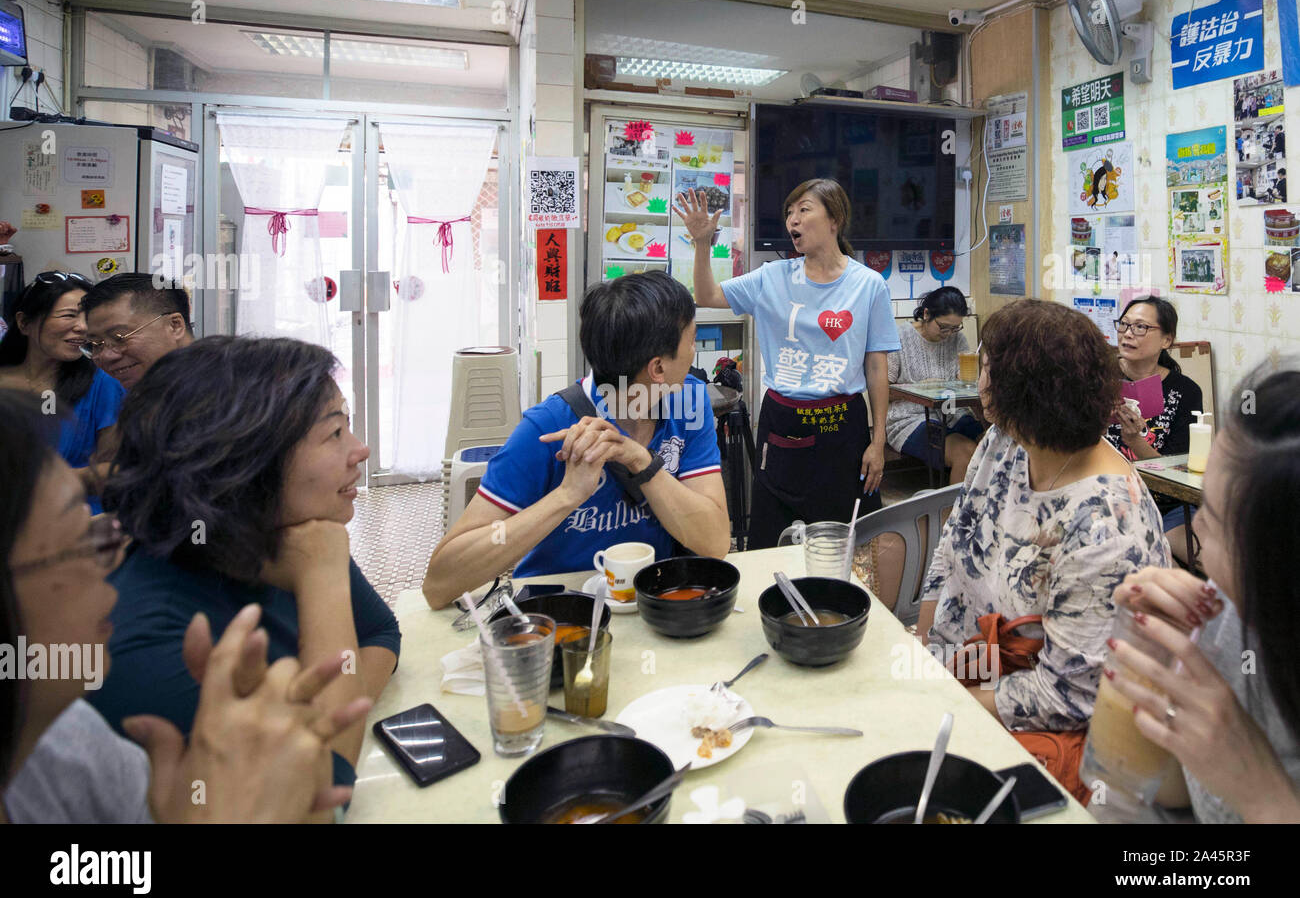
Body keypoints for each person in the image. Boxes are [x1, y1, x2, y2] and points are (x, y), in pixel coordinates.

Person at [0, 388, 370, 823]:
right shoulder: (139, 655)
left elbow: (380, 633)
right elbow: (327, 780)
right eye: (79, 543)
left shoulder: (65, 738)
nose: (109, 576)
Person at [84, 336, 400, 790]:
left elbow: (378, 633)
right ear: (242, 462)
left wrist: (331, 718)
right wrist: (322, 578)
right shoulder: (148, 646)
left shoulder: (283, 531)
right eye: (334, 433)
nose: (360, 449)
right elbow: (314, 790)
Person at [920, 299, 1171, 735]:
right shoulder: (1006, 440)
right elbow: (953, 541)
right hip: (958, 674)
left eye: (985, 368)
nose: (979, 382)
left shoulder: (1104, 524)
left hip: (1027, 725)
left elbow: (1067, 698)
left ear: (1023, 392)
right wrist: (924, 651)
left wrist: (938, 701)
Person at [422, 271, 728, 607]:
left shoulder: (689, 403)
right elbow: (439, 584)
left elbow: (714, 542)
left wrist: (641, 461)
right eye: (692, 340)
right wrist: (567, 495)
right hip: (560, 613)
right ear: (657, 368)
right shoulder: (547, 428)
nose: (694, 350)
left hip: (657, 605)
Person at [1108, 359, 1300, 823]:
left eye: (1210, 520)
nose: (1198, 548)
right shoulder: (1227, 621)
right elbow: (1173, 795)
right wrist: (1154, 671)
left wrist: (1264, 795)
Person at [677, 177, 899, 548]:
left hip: (844, 425)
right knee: (772, 536)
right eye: (789, 213)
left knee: (845, 539)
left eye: (804, 210)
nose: (792, 220)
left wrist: (878, 442)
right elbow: (706, 295)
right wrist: (702, 244)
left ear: (835, 220)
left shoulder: (869, 285)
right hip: (783, 421)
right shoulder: (772, 277)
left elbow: (876, 367)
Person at [0, 272, 124, 508]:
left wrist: (47, 483)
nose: (82, 327)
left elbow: (115, 468)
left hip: (74, 522)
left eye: (88, 317)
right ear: (24, 322)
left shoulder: (103, 386)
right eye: (69, 316)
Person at [1105, 295, 1203, 565]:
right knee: (1150, 567)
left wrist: (1135, 441)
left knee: (1215, 563)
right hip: (1106, 501)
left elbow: (1178, 469)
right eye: (1123, 325)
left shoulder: (1185, 391)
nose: (1128, 334)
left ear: (1166, 340)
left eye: (1140, 327)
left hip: (1166, 505)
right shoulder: (1096, 378)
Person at [885, 286, 983, 486]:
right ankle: (955, 516)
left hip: (953, 413)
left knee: (990, 443)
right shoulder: (898, 338)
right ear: (926, 314)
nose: (949, 334)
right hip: (908, 419)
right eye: (943, 327)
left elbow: (964, 384)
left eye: (955, 328)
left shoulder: (957, 338)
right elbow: (883, 392)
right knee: (965, 453)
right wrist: (921, 388)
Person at [80, 273, 196, 390]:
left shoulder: (210, 393)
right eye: (96, 344)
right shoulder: (140, 399)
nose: (106, 356)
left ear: (175, 326)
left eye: (119, 337)